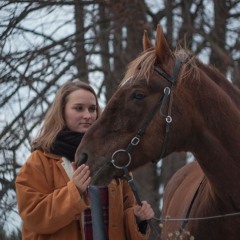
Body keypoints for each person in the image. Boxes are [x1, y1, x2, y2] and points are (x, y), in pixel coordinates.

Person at [15, 80, 155, 240]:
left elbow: (124, 214)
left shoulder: (114, 160)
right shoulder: (39, 162)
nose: (88, 115)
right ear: (62, 112)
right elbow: (33, 217)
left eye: (92, 109)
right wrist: (73, 191)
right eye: (78, 108)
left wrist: (136, 217)